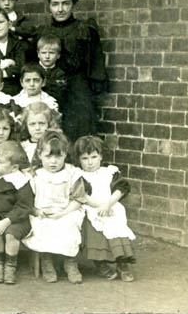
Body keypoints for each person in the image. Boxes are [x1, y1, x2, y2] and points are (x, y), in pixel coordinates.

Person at [36, 0, 107, 141]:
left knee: (79, 132)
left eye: (65, 3)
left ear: (73, 4)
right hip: (50, 88)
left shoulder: (85, 30)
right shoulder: (42, 32)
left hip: (77, 90)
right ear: (49, 6)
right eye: (55, 4)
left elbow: (96, 60)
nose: (60, 9)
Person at [22, 130, 88, 284]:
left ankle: (70, 262)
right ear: (39, 155)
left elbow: (78, 199)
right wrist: (36, 211)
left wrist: (63, 213)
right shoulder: (35, 175)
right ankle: (47, 261)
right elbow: (26, 201)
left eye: (58, 156)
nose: (53, 162)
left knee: (69, 225)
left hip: (67, 210)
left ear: (65, 154)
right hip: (42, 212)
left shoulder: (72, 173)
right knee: (43, 227)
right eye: (48, 156)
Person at [74, 135, 136, 282]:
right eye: (85, 158)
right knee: (95, 228)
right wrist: (99, 206)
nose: (90, 162)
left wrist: (108, 204)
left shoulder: (109, 172)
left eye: (94, 157)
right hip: (92, 207)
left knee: (117, 226)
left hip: (111, 205)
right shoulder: (79, 176)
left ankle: (123, 263)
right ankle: (100, 263)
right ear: (79, 159)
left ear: (101, 156)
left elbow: (121, 188)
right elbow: (82, 195)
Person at [0, 141, 33, 284]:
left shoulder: (20, 181)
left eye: (1, 162)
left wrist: (8, 220)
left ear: (14, 167)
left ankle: (10, 266)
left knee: (11, 234)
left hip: (16, 219)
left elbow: (24, 206)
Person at [0, 7, 29, 96]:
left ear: (9, 24)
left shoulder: (17, 44)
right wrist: (9, 62)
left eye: (0, 22)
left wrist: (4, 72)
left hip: (16, 89)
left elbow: (21, 66)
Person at [36, 33, 68, 110]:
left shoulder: (60, 74)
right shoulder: (33, 70)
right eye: (43, 53)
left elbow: (58, 95)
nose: (47, 56)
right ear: (38, 54)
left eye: (51, 53)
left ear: (58, 55)